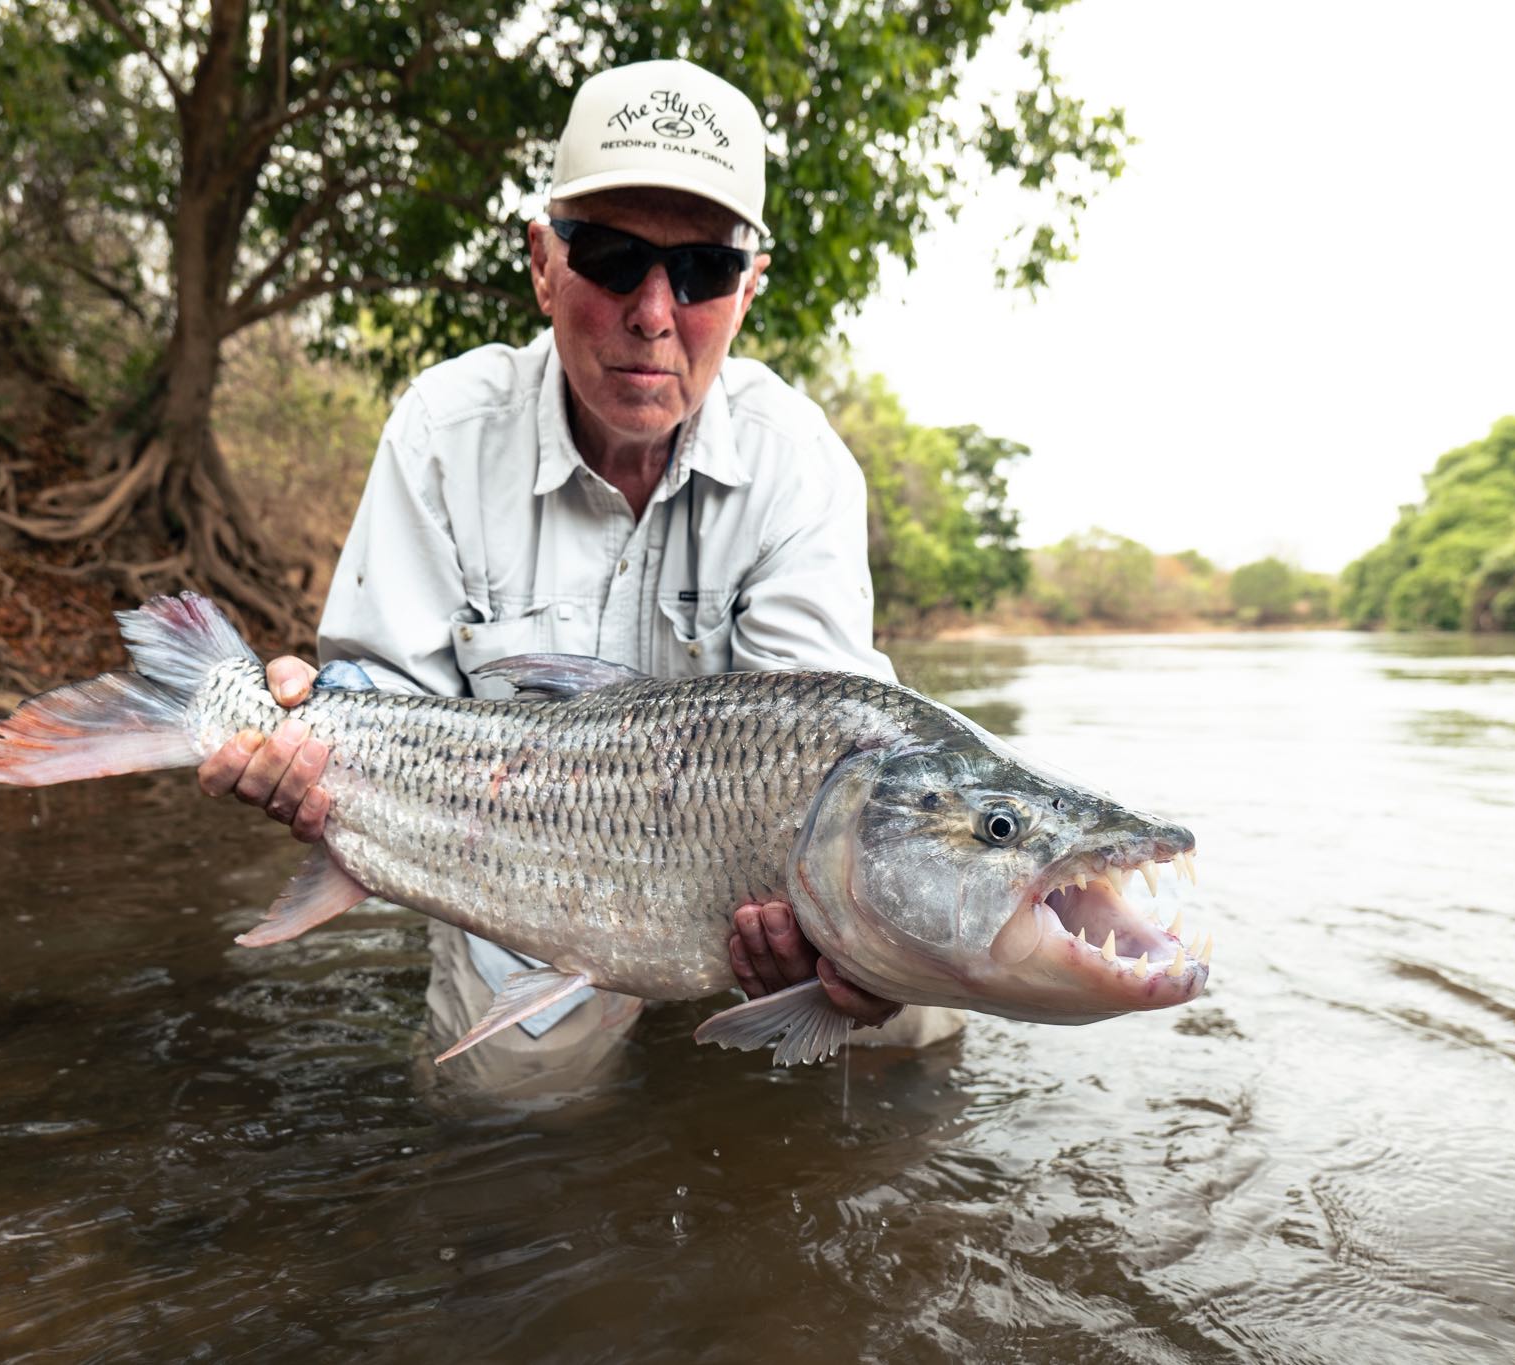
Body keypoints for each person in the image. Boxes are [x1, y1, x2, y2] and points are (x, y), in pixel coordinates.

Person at [196, 59, 962, 1084]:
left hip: (744, 892)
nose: (653, 313)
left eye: (700, 272)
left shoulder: (797, 461)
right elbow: (382, 702)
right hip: (516, 880)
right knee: (504, 1104)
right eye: (610, 257)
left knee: (918, 1002)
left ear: (749, 288)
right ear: (542, 263)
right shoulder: (443, 428)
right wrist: (302, 744)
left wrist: (856, 953)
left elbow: (824, 743)